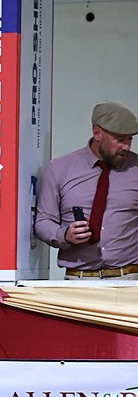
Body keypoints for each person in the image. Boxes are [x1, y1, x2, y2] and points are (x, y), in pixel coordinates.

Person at [35, 101, 138, 279]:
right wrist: (65, 235)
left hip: (129, 279)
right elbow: (43, 221)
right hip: (78, 280)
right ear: (97, 133)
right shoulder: (59, 169)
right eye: (120, 140)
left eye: (130, 139)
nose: (126, 147)